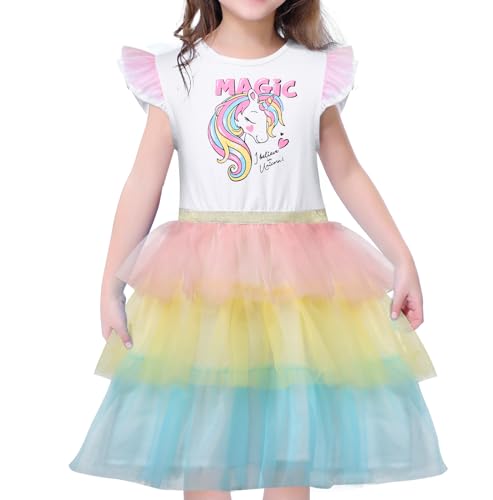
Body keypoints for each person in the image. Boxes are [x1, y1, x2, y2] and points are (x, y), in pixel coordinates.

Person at [68, 0, 448, 497]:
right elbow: (144, 182)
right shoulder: (177, 74)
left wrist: (402, 258)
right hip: (207, 289)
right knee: (204, 447)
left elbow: (347, 171)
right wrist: (110, 287)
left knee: (293, 444)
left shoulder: (313, 72)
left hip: (296, 289)